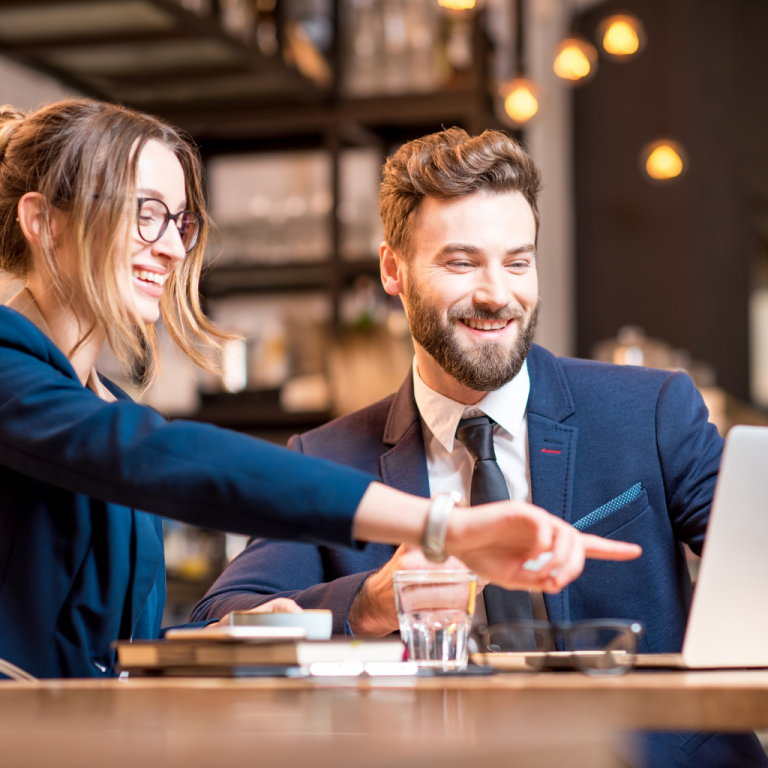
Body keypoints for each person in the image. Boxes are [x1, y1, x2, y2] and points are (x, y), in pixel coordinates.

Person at [0, 101, 639, 680]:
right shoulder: (14, 376)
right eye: (144, 215)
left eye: (178, 220)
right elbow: (167, 460)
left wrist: (216, 641)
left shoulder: (105, 400)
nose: (169, 246)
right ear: (43, 221)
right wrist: (443, 527)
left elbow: (101, 649)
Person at [192, 128, 767, 767]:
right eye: (462, 262)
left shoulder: (652, 410)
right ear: (393, 270)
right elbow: (221, 624)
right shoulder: (324, 458)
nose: (498, 294)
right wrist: (371, 600)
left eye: (518, 262)